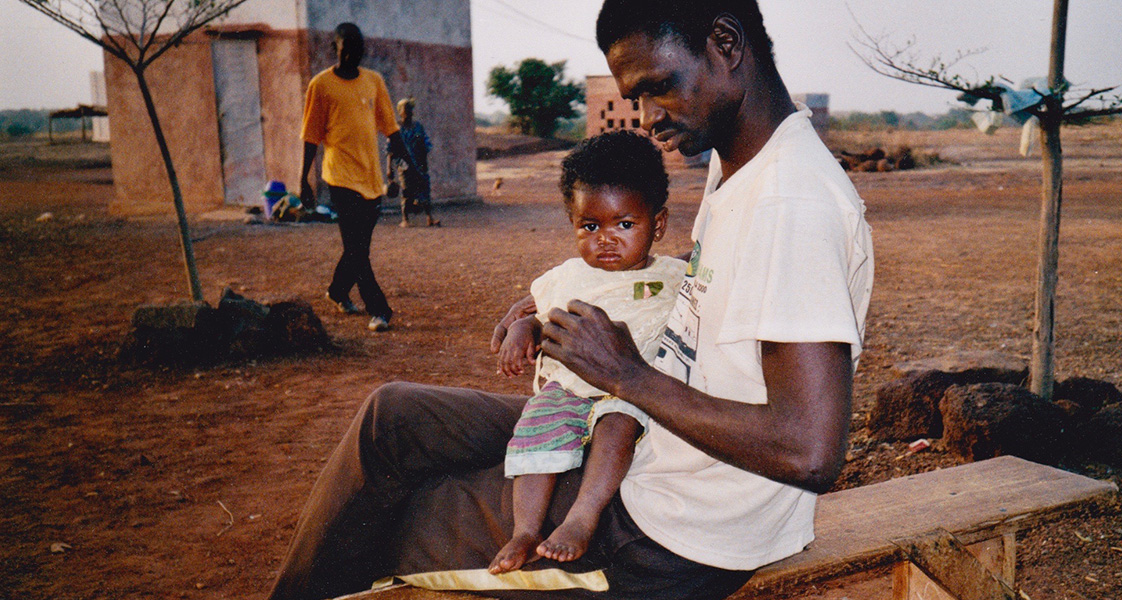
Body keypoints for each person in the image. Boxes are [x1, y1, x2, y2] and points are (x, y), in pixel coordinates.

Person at [267, 1, 873, 598]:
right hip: (645, 437)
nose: (647, 116)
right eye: (636, 96)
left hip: (670, 531)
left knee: (385, 519)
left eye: (658, 87)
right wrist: (549, 305)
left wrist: (625, 373)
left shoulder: (790, 203)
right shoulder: (739, 167)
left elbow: (808, 450)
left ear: (725, 44)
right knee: (391, 417)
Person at [489, 131, 685, 575]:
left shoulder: (675, 277)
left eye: (624, 225)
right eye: (590, 227)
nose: (606, 240)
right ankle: (525, 529)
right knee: (536, 429)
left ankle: (582, 517)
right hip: (568, 388)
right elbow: (541, 316)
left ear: (658, 224)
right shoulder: (568, 276)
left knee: (619, 424)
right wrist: (523, 328)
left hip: (628, 390)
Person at [300, 22, 409, 333]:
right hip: (339, 176)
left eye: (357, 48)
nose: (352, 54)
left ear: (364, 50)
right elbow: (310, 137)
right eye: (345, 48)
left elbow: (391, 128)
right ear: (335, 49)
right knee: (357, 247)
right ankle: (380, 309)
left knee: (357, 247)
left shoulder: (374, 82)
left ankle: (337, 290)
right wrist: (304, 180)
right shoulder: (320, 85)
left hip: (371, 178)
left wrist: (408, 165)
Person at [387, 97, 440, 227]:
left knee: (424, 189)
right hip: (403, 163)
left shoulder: (418, 127)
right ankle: (405, 219)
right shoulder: (396, 128)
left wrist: (424, 162)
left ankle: (429, 218)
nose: (408, 112)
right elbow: (390, 150)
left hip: (419, 162)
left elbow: (425, 144)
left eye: (410, 109)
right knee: (406, 190)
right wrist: (389, 168)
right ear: (400, 112)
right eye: (405, 110)